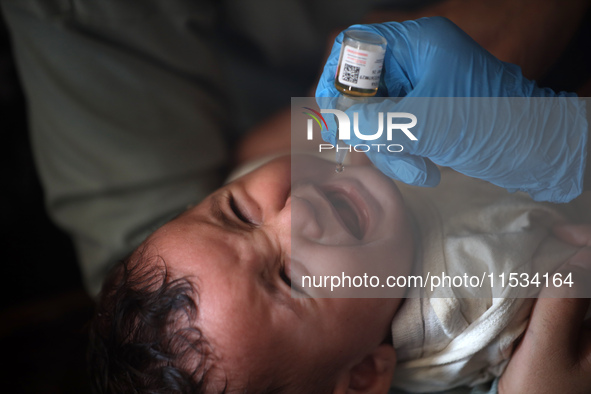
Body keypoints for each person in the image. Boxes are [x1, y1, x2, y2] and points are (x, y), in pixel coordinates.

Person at [88, 152, 590, 393]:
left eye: (238, 212)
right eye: (289, 279)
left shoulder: (301, 162)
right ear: (364, 375)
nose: (293, 214)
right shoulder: (475, 301)